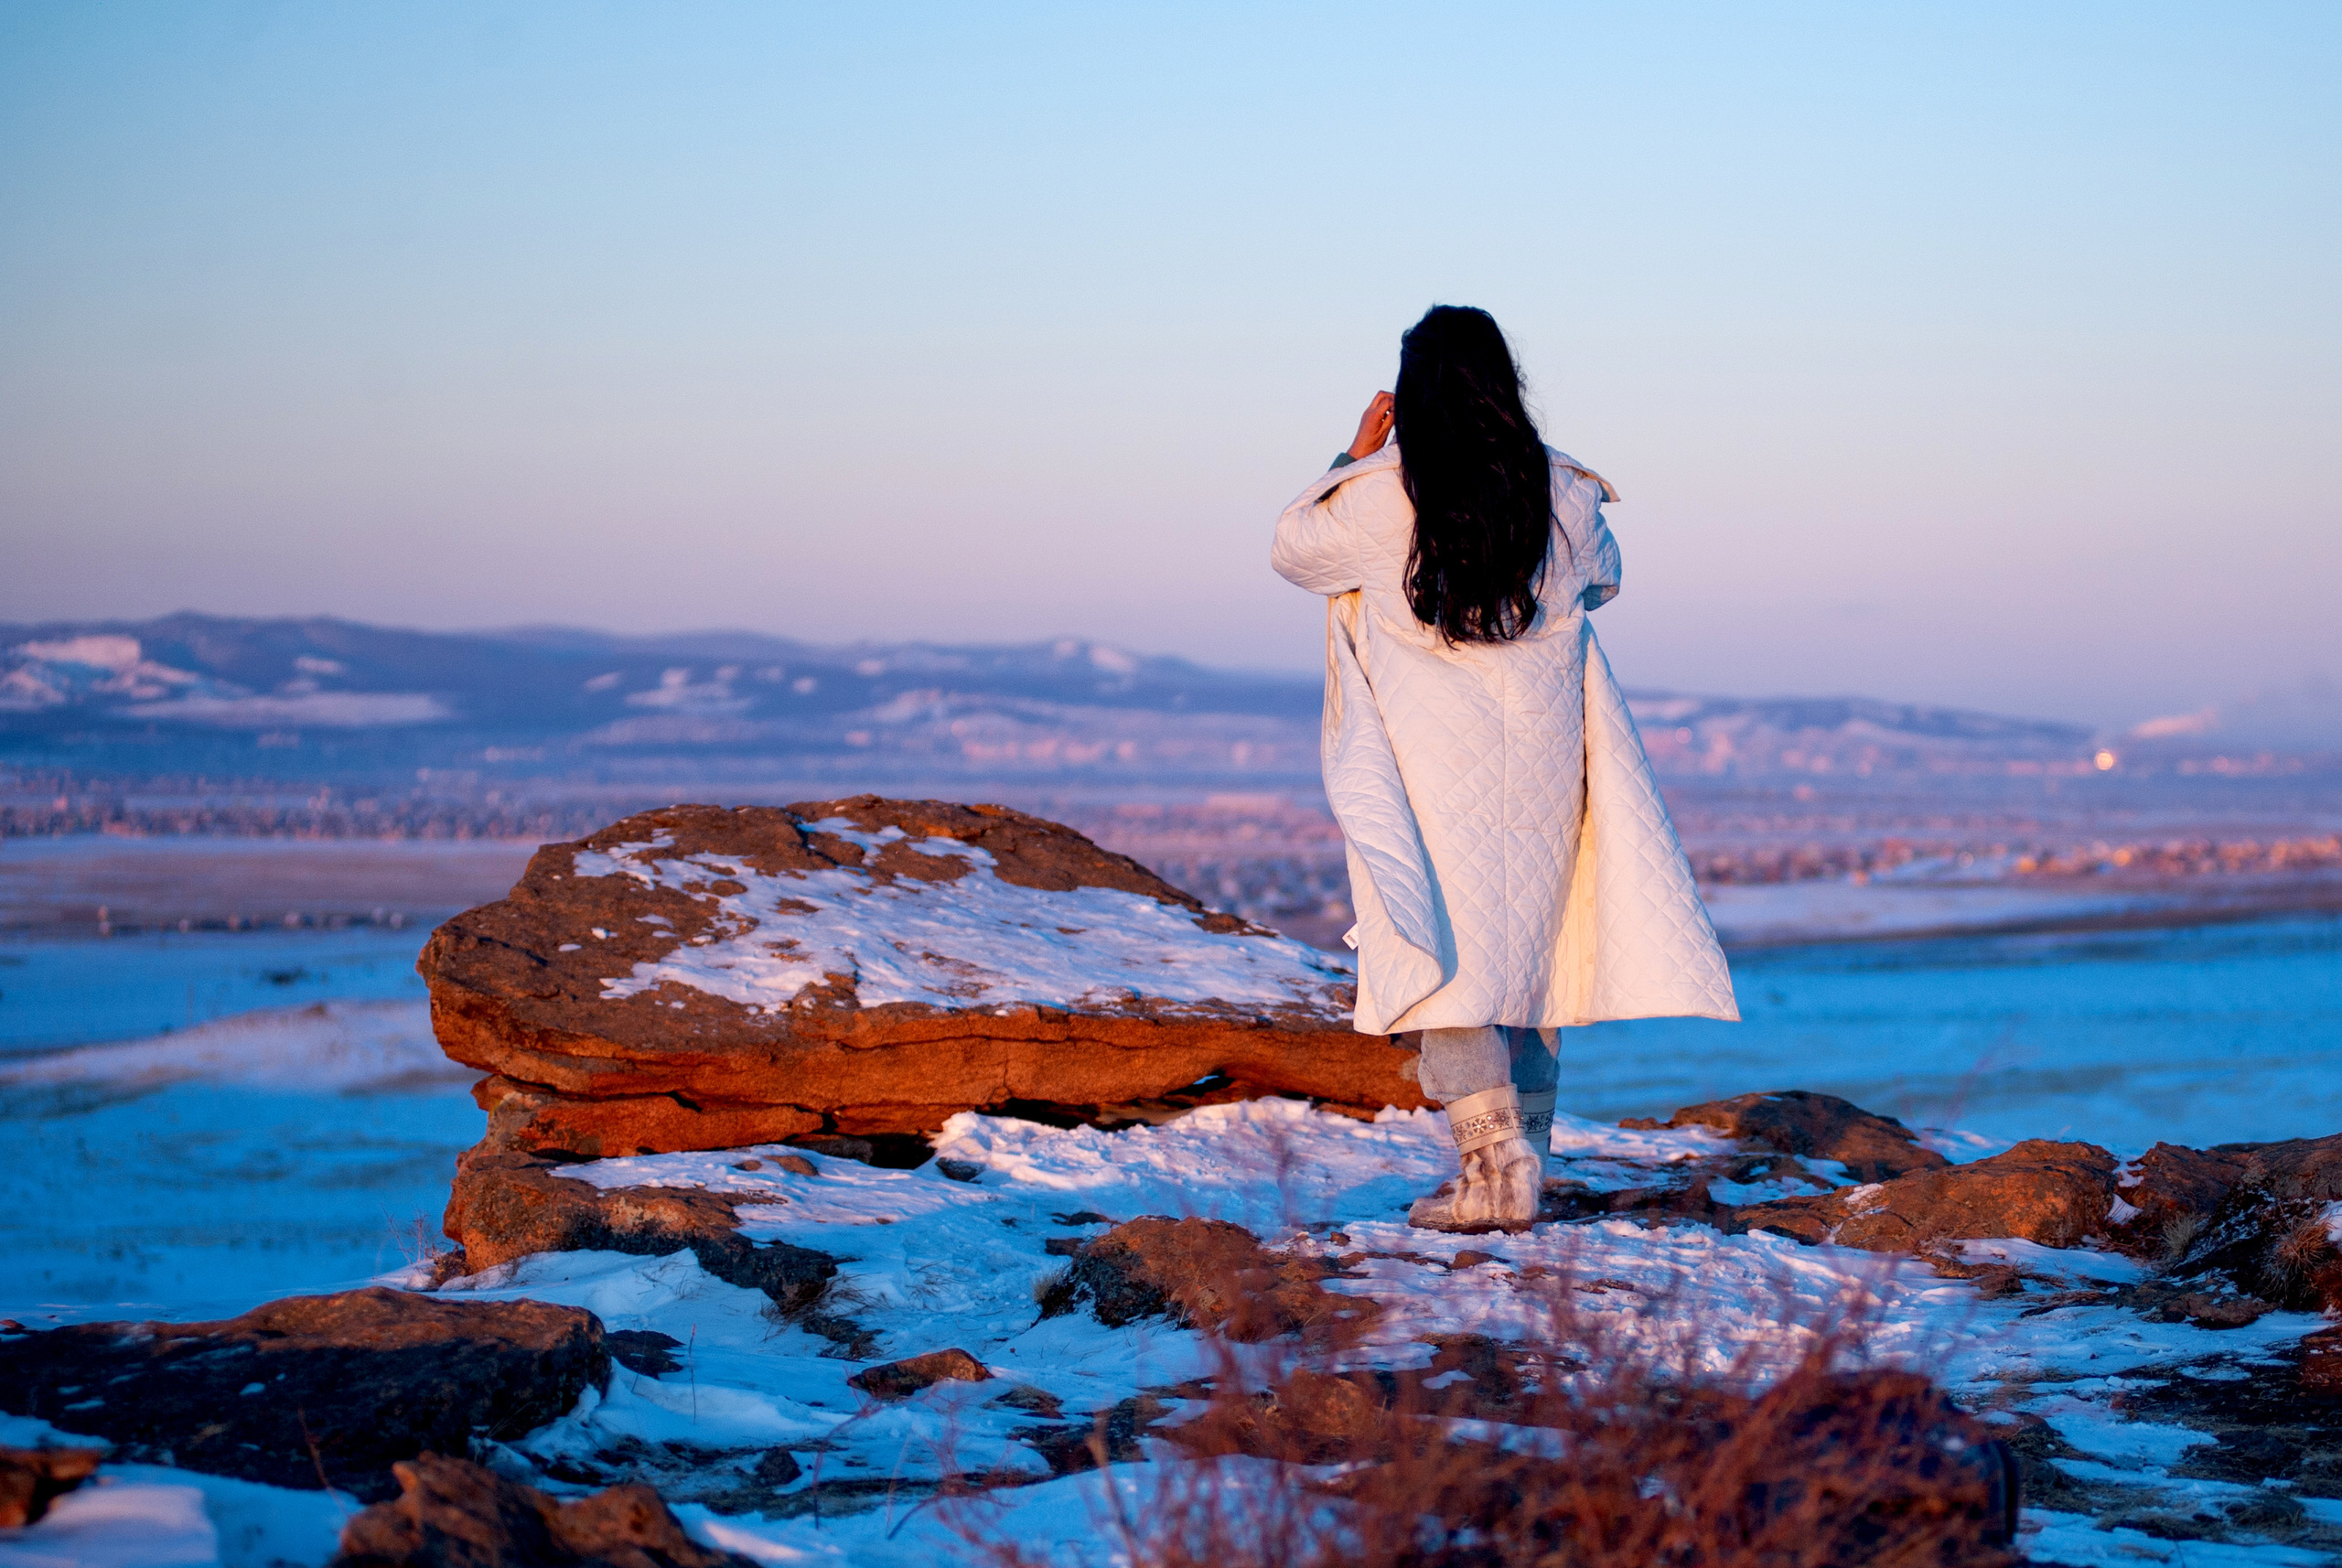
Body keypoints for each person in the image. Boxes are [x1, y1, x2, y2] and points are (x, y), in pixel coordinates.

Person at [1273, 305, 1736, 1233]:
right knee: (1530, 956)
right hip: (1537, 764)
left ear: (1411, 397)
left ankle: (1494, 1170)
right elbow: (1602, 578)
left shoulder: (1380, 498)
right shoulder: (1561, 491)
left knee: (1439, 959)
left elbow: (1293, 555)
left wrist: (1349, 458)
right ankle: (1522, 1159)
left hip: (1429, 770)